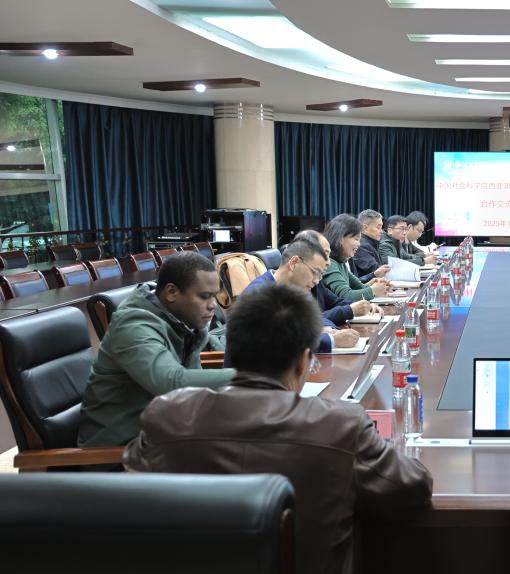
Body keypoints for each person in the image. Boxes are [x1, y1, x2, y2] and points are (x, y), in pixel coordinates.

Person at [124, 283, 433, 574]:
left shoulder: (167, 417)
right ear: (303, 362)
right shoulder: (341, 425)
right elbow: (412, 489)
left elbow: (134, 503)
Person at [78, 252, 236, 448]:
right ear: (171, 293)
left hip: (168, 430)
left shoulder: (183, 320)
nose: (213, 305)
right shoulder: (133, 325)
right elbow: (171, 382)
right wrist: (255, 377)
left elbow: (219, 347)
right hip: (122, 448)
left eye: (214, 296)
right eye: (204, 296)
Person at [242, 237, 361, 351]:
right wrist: (331, 339)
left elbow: (315, 317)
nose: (317, 281)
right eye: (315, 272)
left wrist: (330, 330)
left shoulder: (294, 289)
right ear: (294, 263)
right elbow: (277, 343)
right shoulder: (258, 295)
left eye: (320, 275)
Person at [294, 229, 383, 320]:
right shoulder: (287, 289)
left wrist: (365, 306)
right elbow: (308, 320)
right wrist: (350, 310)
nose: (328, 262)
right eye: (356, 239)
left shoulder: (338, 264)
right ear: (341, 239)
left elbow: (336, 301)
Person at [322, 213, 391, 301]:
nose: (359, 244)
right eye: (356, 239)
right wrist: (373, 290)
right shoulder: (329, 263)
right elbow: (347, 296)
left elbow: (359, 287)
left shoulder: (340, 262)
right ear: (340, 238)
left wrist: (373, 284)